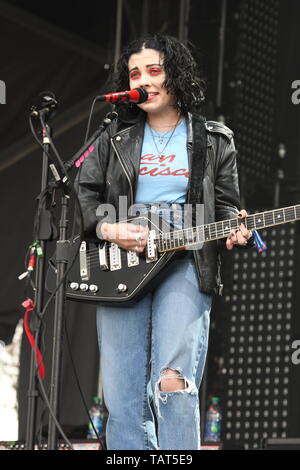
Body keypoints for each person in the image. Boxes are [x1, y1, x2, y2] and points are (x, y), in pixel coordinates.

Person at [76, 34, 253, 450]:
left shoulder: (214, 138)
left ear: (176, 74)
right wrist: (110, 228)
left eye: (155, 70)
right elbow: (81, 196)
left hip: (186, 255)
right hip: (123, 255)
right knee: (122, 397)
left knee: (173, 380)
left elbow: (227, 206)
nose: (145, 80)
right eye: (136, 73)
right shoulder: (113, 135)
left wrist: (235, 229)